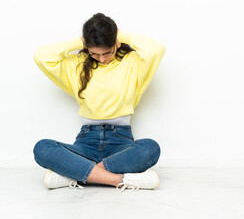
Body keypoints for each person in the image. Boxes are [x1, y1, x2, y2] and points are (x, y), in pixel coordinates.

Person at [32, 13, 166, 192]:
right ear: (87, 47)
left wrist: (119, 34)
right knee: (42, 148)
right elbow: (41, 56)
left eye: (107, 52)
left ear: (116, 44)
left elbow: (156, 49)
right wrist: (80, 42)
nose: (102, 59)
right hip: (86, 142)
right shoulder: (76, 65)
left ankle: (75, 173)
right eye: (94, 53)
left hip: (121, 142)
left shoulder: (132, 63)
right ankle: (117, 179)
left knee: (150, 148)